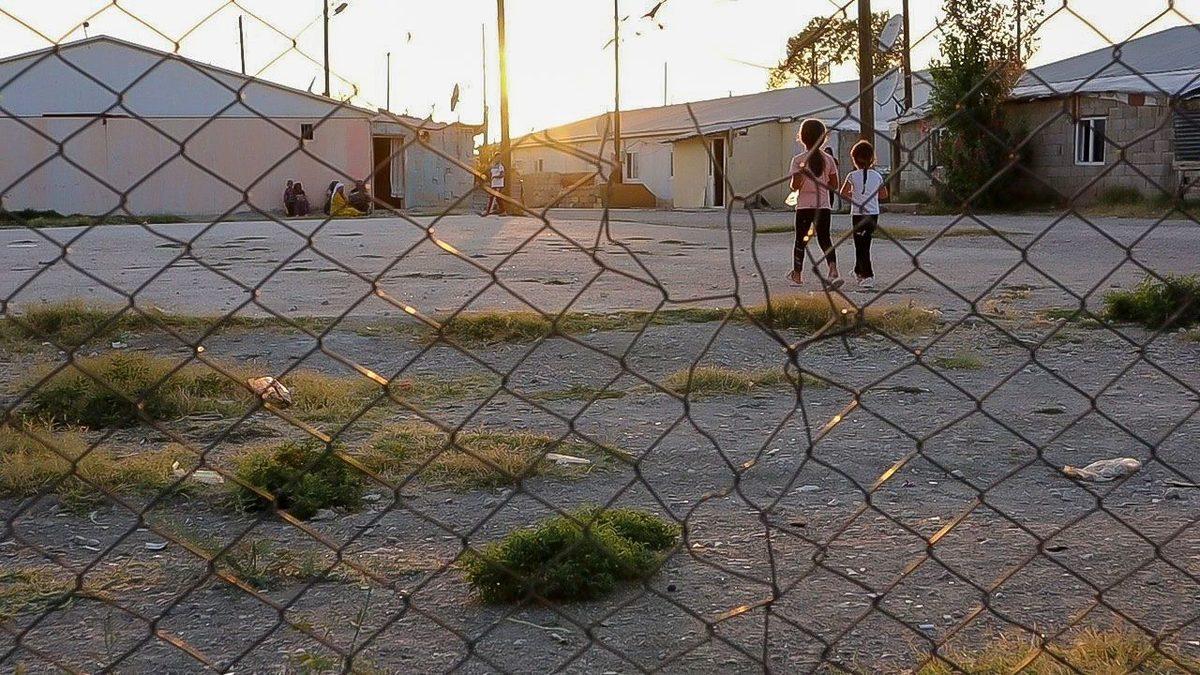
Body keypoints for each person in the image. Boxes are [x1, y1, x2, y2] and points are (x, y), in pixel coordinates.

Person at [788, 118, 840, 286]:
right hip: (823, 205)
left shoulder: (798, 160)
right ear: (823, 137)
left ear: (802, 137)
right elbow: (834, 185)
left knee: (800, 240)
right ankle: (833, 269)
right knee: (825, 238)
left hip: (804, 206)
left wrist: (802, 176)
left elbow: (795, 186)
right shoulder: (829, 159)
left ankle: (797, 274)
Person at [840, 140, 888, 288]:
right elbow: (883, 195)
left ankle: (868, 275)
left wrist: (854, 197)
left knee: (860, 244)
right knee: (865, 242)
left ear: (854, 159)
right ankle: (857, 270)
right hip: (873, 214)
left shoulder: (852, 175)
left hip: (858, 214)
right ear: (872, 158)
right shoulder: (878, 175)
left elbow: (843, 193)